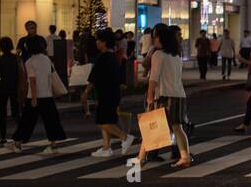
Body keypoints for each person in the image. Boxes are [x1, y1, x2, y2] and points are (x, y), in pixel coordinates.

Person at [139, 23, 191, 167]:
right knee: (177, 127)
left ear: (160, 38)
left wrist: (150, 96)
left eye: (155, 37)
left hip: (164, 96)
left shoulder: (158, 54)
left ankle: (141, 158)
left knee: (151, 126)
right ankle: (185, 156)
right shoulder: (176, 55)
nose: (153, 40)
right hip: (179, 94)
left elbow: (153, 78)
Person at [82, 28, 133, 158]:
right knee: (107, 120)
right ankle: (106, 147)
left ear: (103, 42)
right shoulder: (113, 57)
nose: (97, 43)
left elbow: (94, 77)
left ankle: (125, 137)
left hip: (106, 94)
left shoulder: (103, 57)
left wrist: (86, 91)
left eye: (98, 40)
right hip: (112, 93)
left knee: (102, 122)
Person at [12, 34, 66, 154]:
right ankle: (53, 145)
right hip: (47, 95)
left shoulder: (30, 62)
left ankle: (18, 143)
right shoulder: (47, 59)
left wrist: (34, 98)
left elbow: (32, 80)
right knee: (51, 121)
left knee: (27, 121)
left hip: (34, 96)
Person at [0, 37, 24, 145]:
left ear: (0, 47)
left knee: (2, 114)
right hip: (14, 87)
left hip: (3, 87)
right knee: (16, 113)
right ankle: (21, 135)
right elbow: (21, 73)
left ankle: (3, 137)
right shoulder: (17, 59)